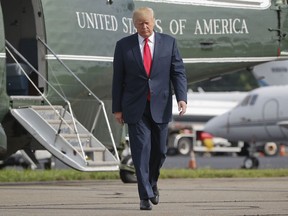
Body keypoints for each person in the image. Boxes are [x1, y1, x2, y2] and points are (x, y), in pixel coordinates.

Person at [112, 7, 187, 210]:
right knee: (140, 150)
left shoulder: (169, 43)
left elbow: (178, 72)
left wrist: (182, 98)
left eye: (147, 23)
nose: (144, 27)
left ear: (154, 21)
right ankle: (144, 196)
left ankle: (152, 183)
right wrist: (117, 109)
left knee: (160, 151)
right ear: (134, 24)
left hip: (160, 105)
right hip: (135, 107)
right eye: (139, 24)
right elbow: (117, 79)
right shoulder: (123, 46)